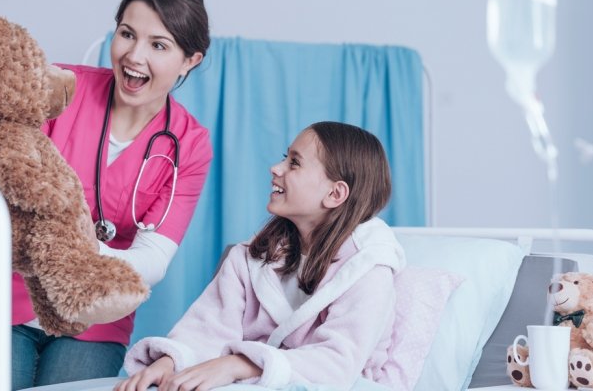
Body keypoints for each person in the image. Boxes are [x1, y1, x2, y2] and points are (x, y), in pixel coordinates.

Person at [0, 0, 213, 389]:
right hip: (0, 300)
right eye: (126, 34)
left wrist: (79, 247)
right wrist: (86, 248)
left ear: (191, 60)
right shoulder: (57, 90)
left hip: (95, 319)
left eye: (158, 45)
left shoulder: (189, 144)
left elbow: (152, 260)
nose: (134, 56)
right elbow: (1, 197)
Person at [115, 122, 409, 391]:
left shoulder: (367, 269)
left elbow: (337, 363)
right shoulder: (250, 258)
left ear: (335, 194)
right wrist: (172, 362)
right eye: (285, 157)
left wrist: (240, 364)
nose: (276, 168)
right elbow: (207, 329)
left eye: (294, 163)